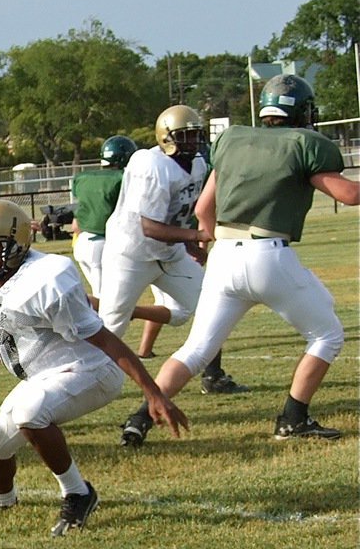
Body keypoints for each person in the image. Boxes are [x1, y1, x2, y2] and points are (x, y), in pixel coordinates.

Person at [0, 200, 188, 534]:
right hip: (43, 375)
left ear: (19, 244)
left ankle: (78, 493)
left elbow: (106, 340)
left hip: (90, 368)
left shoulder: (48, 277)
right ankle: (3, 502)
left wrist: (152, 392)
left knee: (29, 413)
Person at [131, 74, 359, 444]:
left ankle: (139, 418)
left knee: (197, 349)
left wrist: (207, 244)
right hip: (268, 255)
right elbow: (348, 195)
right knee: (327, 334)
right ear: (301, 110)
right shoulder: (304, 142)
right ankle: (293, 418)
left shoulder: (234, 140)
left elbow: (205, 209)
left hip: (224, 254)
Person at [101, 105, 246, 447]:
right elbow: (148, 226)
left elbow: (184, 212)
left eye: (197, 134)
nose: (194, 141)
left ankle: (212, 374)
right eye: (186, 135)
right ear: (166, 137)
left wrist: (192, 242)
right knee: (109, 327)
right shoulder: (150, 164)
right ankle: (68, 379)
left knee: (210, 304)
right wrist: (195, 238)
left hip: (169, 252)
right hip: (132, 253)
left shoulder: (196, 163)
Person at [71, 135, 170, 357]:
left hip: (83, 243)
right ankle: (88, 350)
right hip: (104, 244)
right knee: (108, 306)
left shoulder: (84, 177)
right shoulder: (122, 178)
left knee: (107, 302)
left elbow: (77, 219)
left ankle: (91, 332)